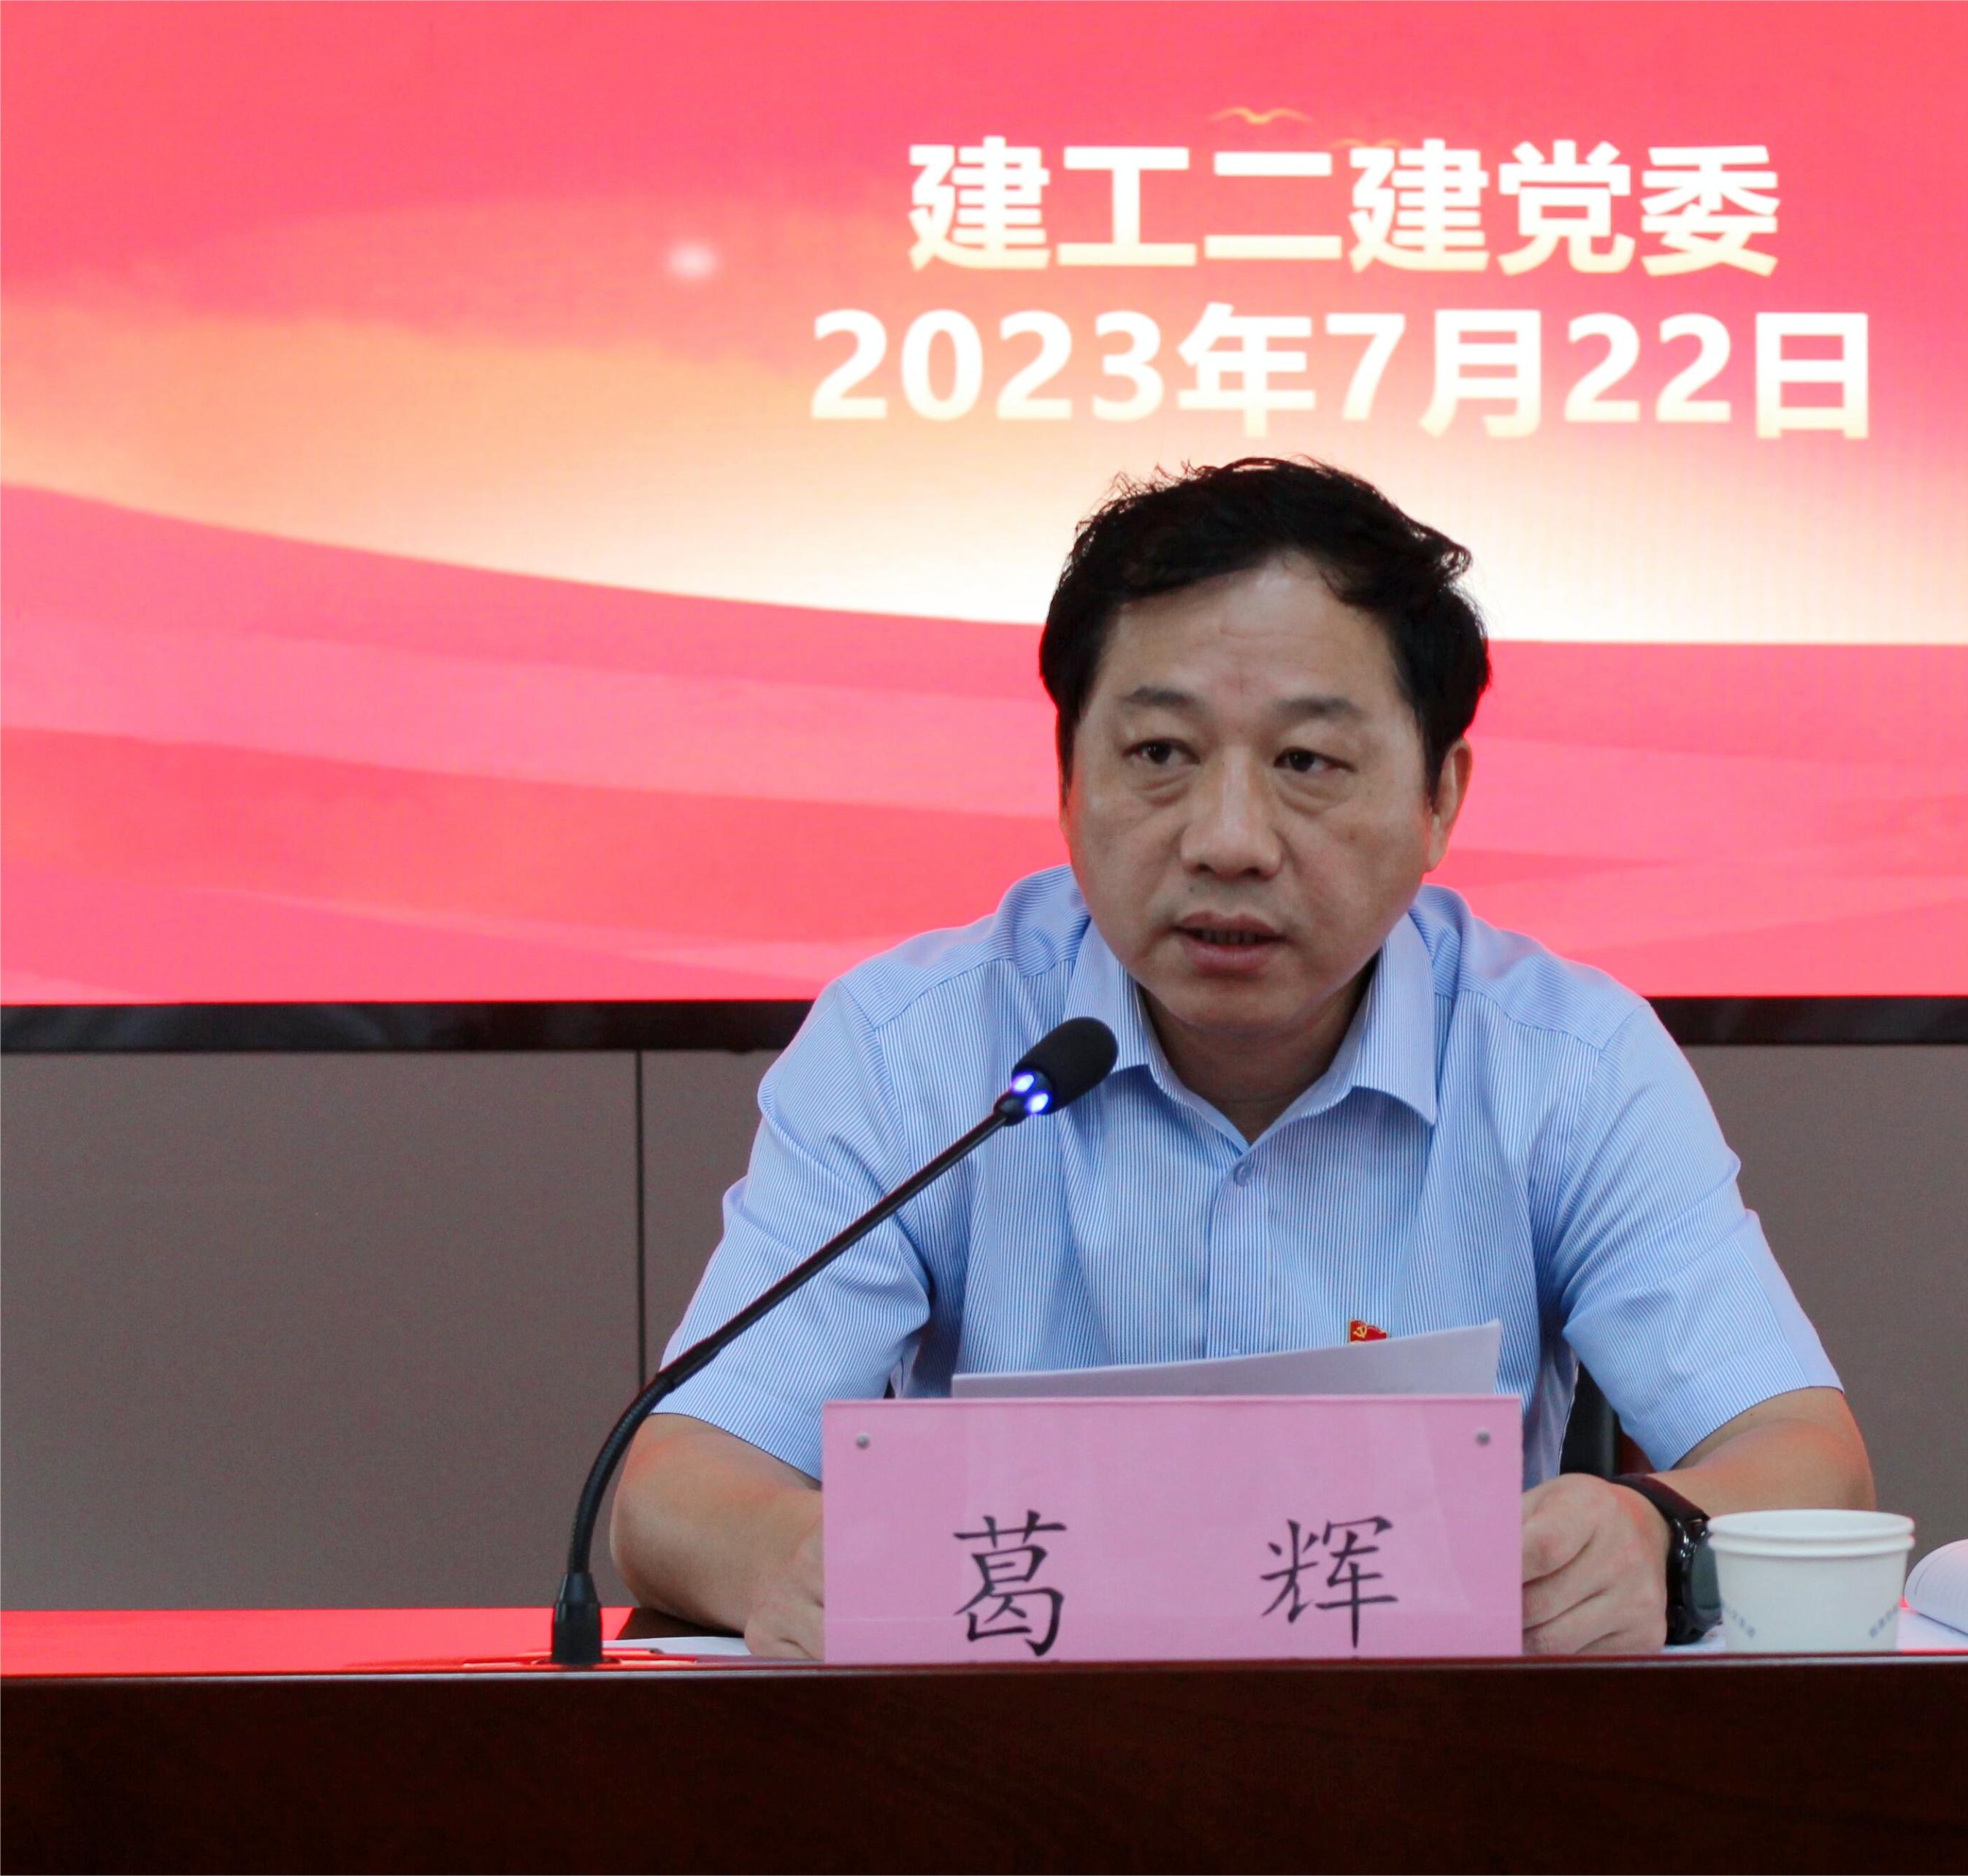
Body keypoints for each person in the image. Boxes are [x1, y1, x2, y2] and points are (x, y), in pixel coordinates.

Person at [612, 458, 1872, 1657]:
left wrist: (1657, 1533)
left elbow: (1804, 1456)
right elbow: (672, 1482)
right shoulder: (913, 1046)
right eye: (1159, 754)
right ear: (1067, 780)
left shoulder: (1566, 1061)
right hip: (1004, 1762)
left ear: (1440, 796)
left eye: (1307, 763)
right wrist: (790, 1557)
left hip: (1436, 1759)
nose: (1227, 840)